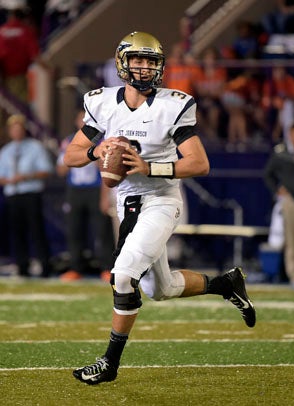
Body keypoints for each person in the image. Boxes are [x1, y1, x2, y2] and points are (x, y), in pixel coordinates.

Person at [63, 31, 256, 385]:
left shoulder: (173, 104)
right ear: (123, 63)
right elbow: (71, 155)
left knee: (123, 276)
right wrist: (98, 150)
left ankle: (109, 363)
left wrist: (150, 167)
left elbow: (199, 164)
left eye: (152, 61)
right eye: (138, 60)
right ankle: (227, 283)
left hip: (162, 200)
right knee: (159, 289)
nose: (146, 67)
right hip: (127, 204)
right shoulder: (102, 102)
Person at [56, 109, 115, 281]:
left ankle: (107, 267)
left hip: (96, 188)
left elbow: (106, 170)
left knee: (102, 229)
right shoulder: (69, 141)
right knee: (74, 229)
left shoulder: (102, 140)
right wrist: (74, 157)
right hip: (75, 190)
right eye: (80, 118)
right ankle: (75, 267)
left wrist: (105, 197)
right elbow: (61, 169)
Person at [0, 114, 53, 277]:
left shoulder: (35, 147)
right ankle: (22, 267)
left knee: (36, 230)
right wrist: (8, 180)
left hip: (30, 193)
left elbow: (47, 170)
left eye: (19, 128)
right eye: (13, 129)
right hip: (12, 194)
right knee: (16, 232)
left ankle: (45, 266)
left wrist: (26, 177)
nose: (16, 131)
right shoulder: (6, 151)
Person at [264, 122, 294, 289]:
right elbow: (268, 174)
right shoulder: (282, 152)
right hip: (292, 200)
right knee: (292, 240)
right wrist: (277, 190)